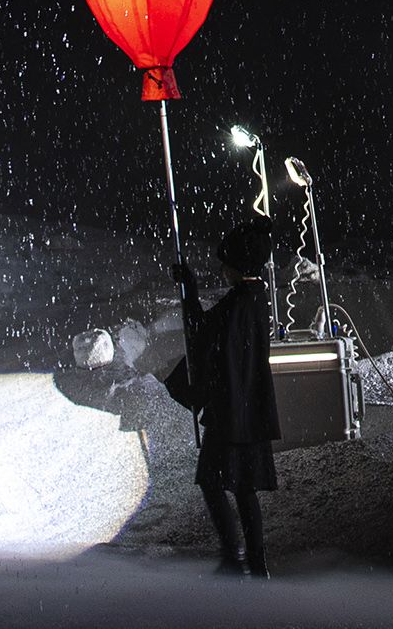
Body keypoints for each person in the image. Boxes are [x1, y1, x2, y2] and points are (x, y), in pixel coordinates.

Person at [166, 218, 282, 578]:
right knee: (244, 489)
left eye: (226, 262)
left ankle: (234, 556)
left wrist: (189, 290)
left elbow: (200, 334)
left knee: (213, 483)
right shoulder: (254, 299)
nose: (222, 269)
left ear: (237, 265)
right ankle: (256, 562)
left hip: (231, 410)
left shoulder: (237, 304)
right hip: (250, 409)